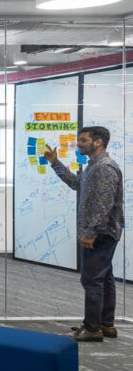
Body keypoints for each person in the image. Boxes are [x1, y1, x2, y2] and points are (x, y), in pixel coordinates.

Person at [44, 126, 124, 342]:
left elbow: (103, 206)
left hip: (100, 234)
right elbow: (75, 183)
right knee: (104, 279)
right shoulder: (93, 167)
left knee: (92, 280)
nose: (78, 144)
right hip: (100, 232)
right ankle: (106, 325)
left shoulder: (105, 168)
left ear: (98, 142)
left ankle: (92, 329)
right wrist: (55, 162)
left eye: (83, 140)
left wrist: (90, 233)